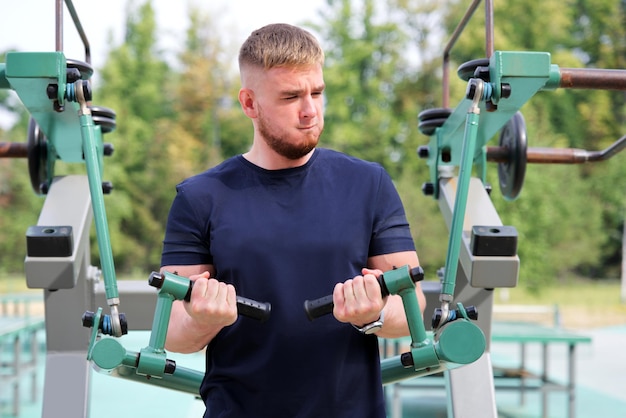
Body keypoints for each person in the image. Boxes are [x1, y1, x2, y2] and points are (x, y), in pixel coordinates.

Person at [160, 23, 426, 418]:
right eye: (290, 97)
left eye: (317, 92)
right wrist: (201, 319)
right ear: (249, 103)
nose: (310, 111)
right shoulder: (199, 197)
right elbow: (172, 331)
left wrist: (373, 315)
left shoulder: (369, 183)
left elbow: (414, 306)